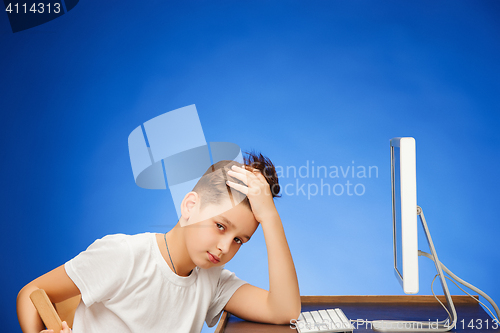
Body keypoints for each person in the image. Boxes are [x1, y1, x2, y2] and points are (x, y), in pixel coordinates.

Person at [16, 151, 301, 333]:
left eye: (239, 240)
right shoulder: (124, 255)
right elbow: (32, 292)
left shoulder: (212, 280)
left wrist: (270, 217)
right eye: (219, 226)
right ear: (190, 206)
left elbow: (285, 311)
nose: (225, 247)